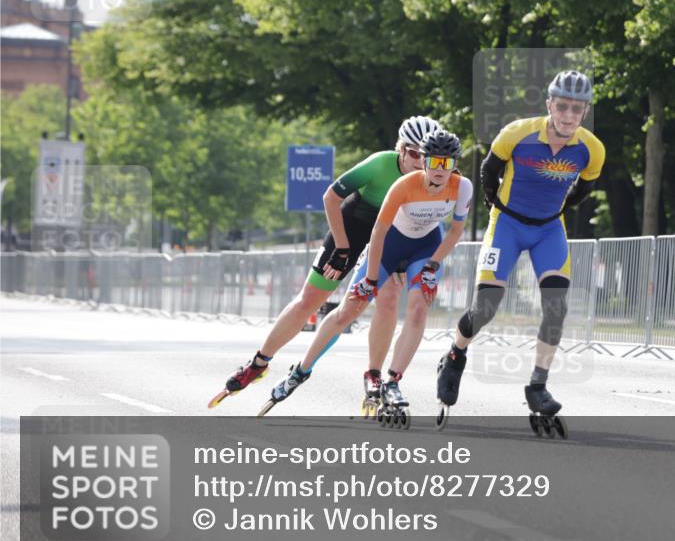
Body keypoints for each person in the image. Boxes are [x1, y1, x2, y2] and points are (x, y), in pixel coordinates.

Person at [208, 116, 441, 407]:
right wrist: (342, 247)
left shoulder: (434, 178)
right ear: (401, 150)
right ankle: (258, 363)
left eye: (427, 155)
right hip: (353, 227)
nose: (421, 162)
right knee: (310, 299)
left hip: (391, 235)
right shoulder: (380, 164)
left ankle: (374, 375)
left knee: (389, 298)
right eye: (415, 154)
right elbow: (330, 197)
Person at [435, 70, 604, 428]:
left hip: (548, 230)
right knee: (485, 308)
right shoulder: (518, 133)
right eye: (562, 107)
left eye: (577, 109)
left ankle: (538, 385)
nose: (568, 116)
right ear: (549, 105)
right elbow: (488, 171)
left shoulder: (591, 149)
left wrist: (553, 212)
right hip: (507, 225)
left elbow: (583, 191)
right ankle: (455, 355)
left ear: (585, 111)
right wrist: (498, 206)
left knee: (556, 307)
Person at [262, 128, 472, 416]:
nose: (440, 170)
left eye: (447, 163)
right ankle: (301, 370)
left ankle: (393, 381)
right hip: (389, 243)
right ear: (423, 161)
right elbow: (379, 231)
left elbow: (455, 232)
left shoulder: (463, 187)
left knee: (419, 308)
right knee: (350, 309)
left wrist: (432, 265)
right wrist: (371, 278)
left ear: (455, 164)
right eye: (434, 162)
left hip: (426, 247)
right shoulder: (404, 185)